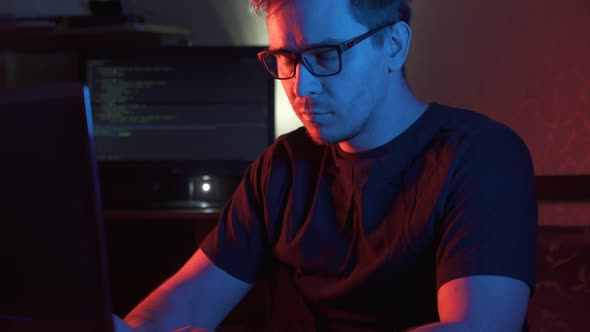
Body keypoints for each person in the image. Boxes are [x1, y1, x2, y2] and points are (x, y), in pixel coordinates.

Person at [114, 0, 538, 331]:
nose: (301, 86)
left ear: (393, 45)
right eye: (286, 58)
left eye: (325, 54)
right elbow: (186, 302)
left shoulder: (482, 155)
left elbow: (475, 327)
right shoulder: (282, 166)